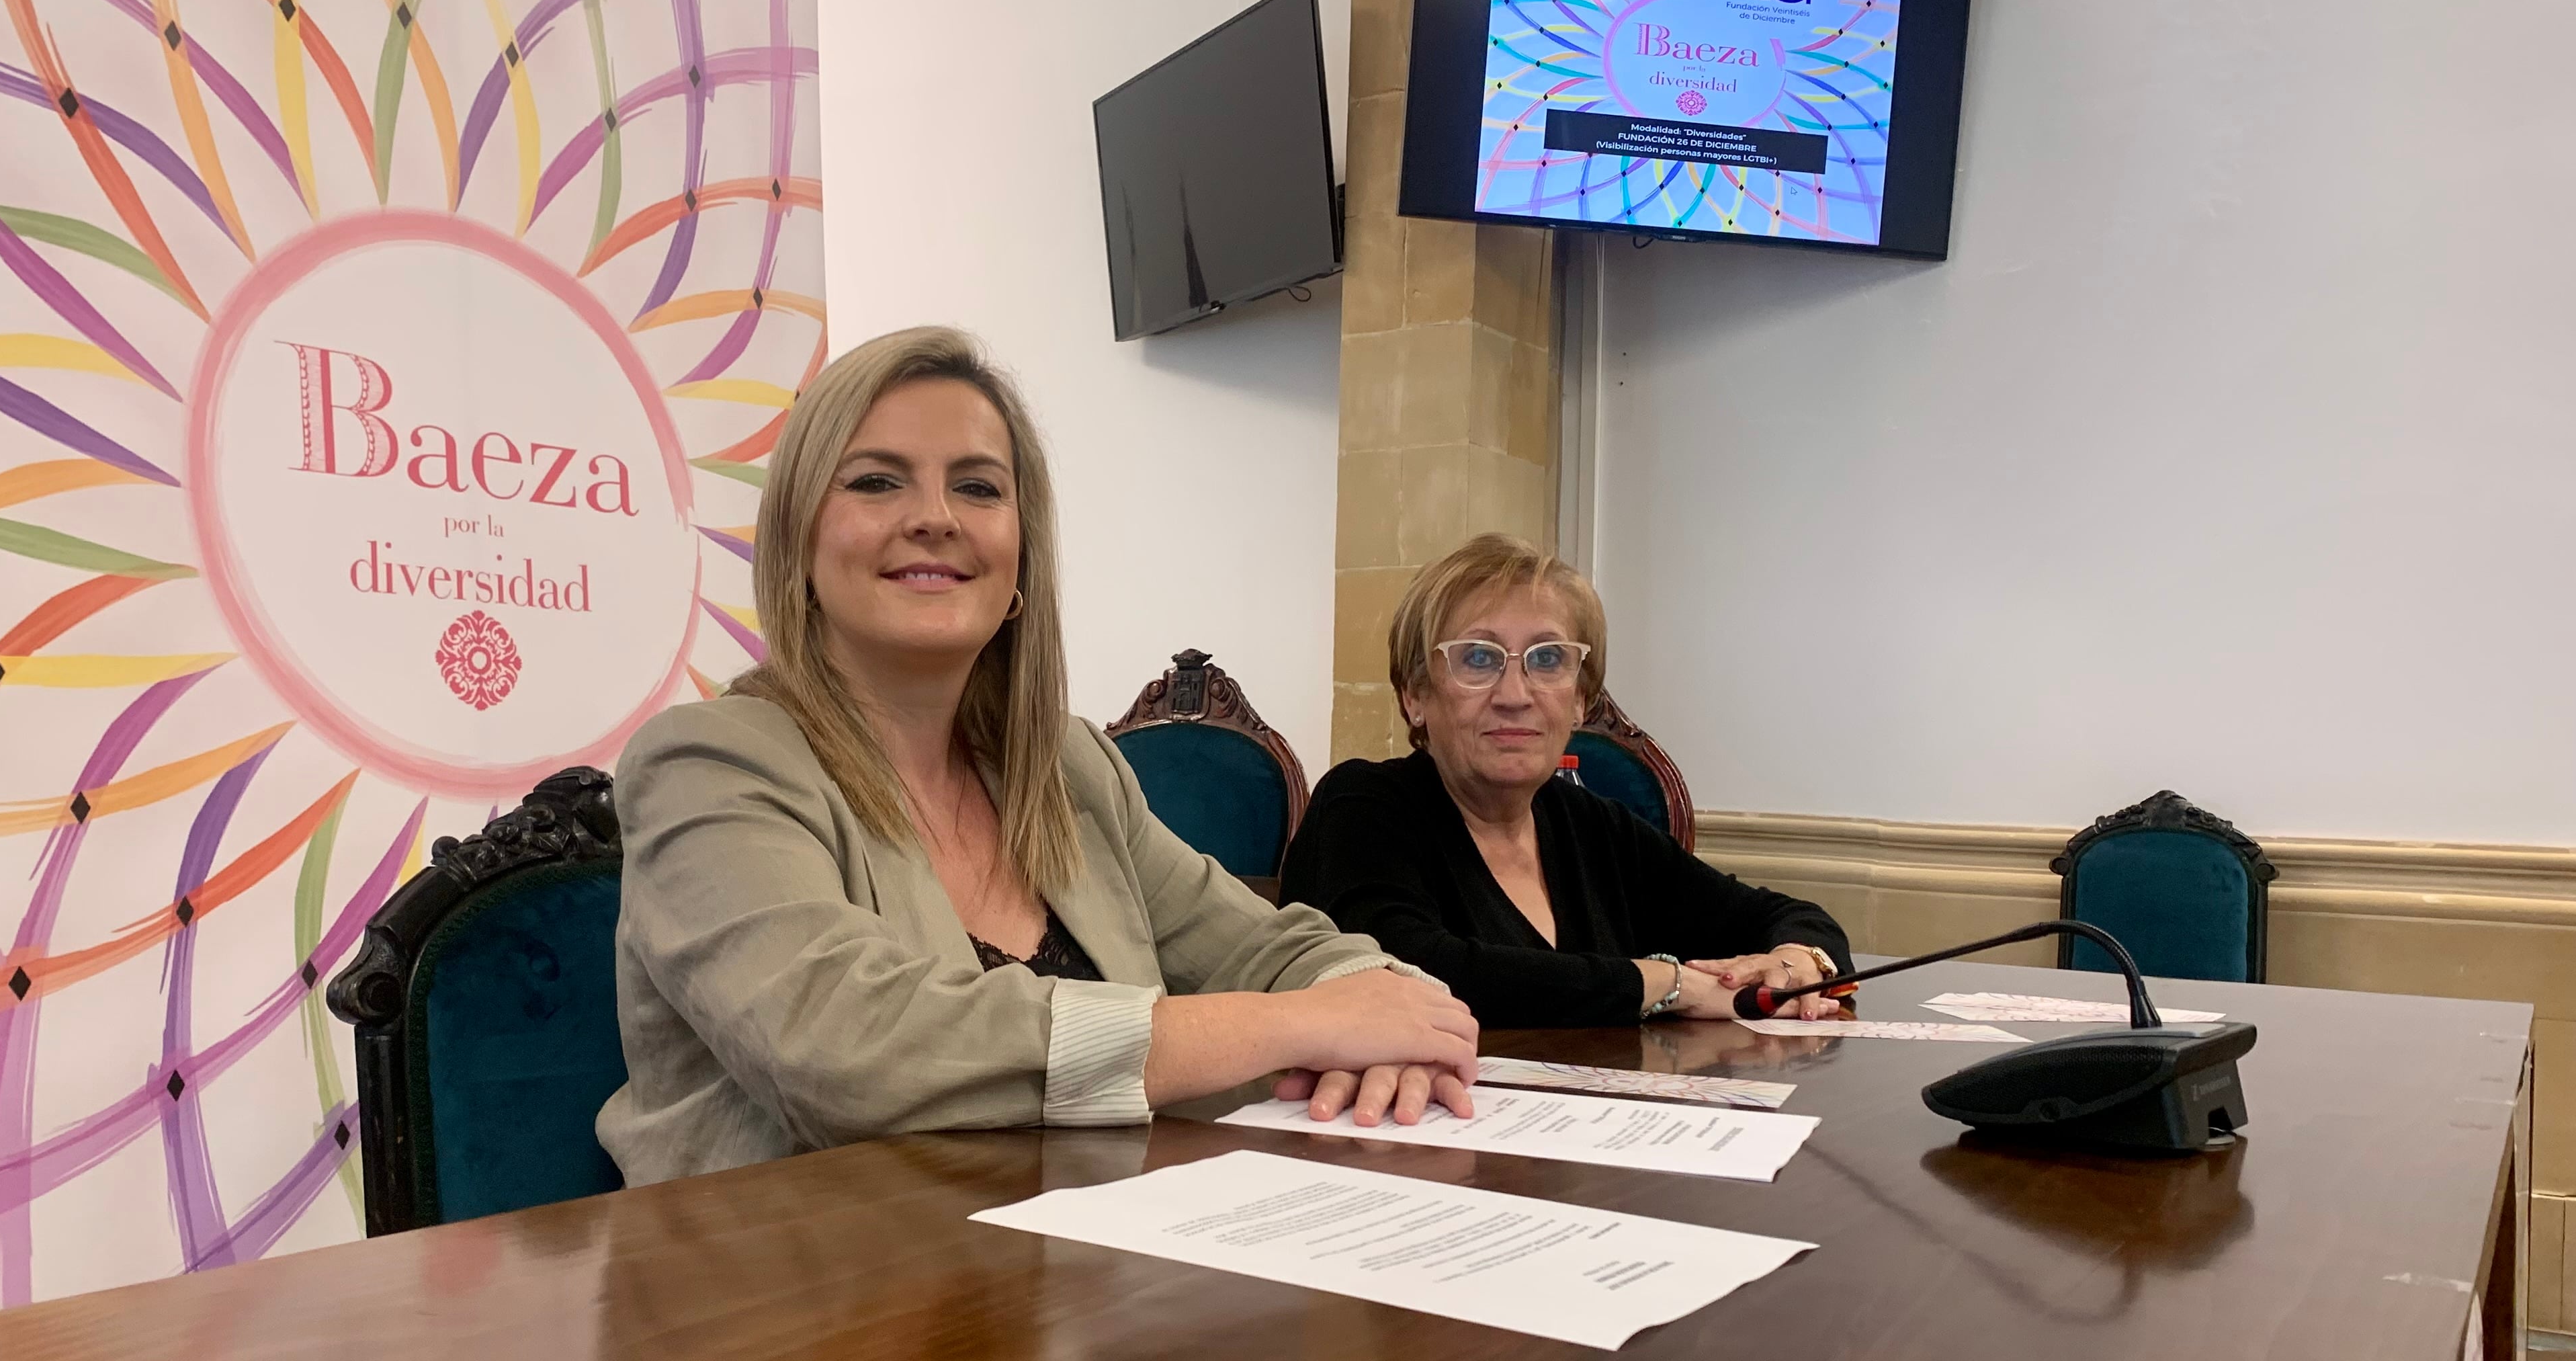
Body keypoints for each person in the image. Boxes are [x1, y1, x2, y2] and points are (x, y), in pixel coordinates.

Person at [596, 327, 1477, 1184]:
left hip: (1076, 1278)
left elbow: (1276, 950)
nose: (935, 518)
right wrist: (1300, 1029)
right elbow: (847, 1048)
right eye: (876, 481)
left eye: (978, 488)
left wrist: (1383, 1013)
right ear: (799, 543)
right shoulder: (707, 765)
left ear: (1021, 555)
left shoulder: (1066, 764)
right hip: (788, 1301)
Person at [1279, 534, 1851, 1028]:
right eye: (1478, 659)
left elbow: (1792, 917)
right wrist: (1668, 984)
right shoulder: (1363, 806)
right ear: (1415, 695)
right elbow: (1415, 972)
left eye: (1548, 659)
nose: (1515, 694)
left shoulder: (1596, 828)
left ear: (1580, 699)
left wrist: (1799, 964)